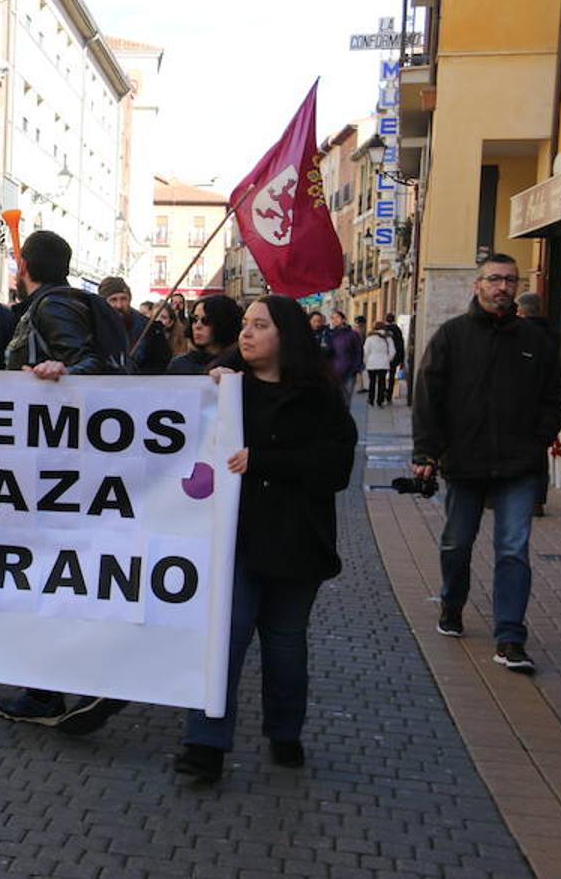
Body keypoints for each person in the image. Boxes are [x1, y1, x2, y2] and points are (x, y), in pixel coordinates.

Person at [174, 295, 357, 782]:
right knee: (224, 638)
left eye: (261, 325)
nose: (247, 334)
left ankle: (284, 732)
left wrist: (266, 460)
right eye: (246, 325)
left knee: (285, 644)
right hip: (237, 537)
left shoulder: (320, 394)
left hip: (298, 538)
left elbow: (336, 468)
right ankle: (205, 745)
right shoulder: (223, 386)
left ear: (287, 336)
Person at [412, 254, 561, 671]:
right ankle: (452, 602)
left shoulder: (535, 342)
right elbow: (428, 397)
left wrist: (536, 440)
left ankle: (510, 638)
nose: (502, 287)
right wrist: (426, 452)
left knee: (513, 549)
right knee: (456, 543)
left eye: (510, 280)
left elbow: (556, 399)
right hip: (464, 463)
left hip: (519, 467)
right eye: (495, 279)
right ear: (478, 285)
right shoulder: (452, 336)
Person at [0, 230, 125, 727]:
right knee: (52, 575)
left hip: (60, 461)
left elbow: (90, 365)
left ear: (25, 264)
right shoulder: (66, 301)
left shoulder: (53, 306)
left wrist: (60, 371)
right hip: (50, 460)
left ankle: (67, 684)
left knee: (52, 576)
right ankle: (53, 683)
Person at [516, 293, 554, 516]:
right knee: (539, 454)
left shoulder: (521, 334)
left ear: (521, 311)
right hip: (541, 403)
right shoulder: (551, 332)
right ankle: (537, 500)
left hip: (523, 401)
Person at [168, 294, 243, 374]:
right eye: (195, 319)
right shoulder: (179, 365)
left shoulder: (241, 366)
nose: (197, 326)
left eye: (206, 320)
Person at [323, 310, 362, 402]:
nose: (335, 320)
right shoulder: (329, 335)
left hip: (349, 371)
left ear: (343, 319)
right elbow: (328, 353)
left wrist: (355, 368)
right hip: (334, 372)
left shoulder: (352, 334)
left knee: (346, 399)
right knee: (336, 400)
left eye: (337, 317)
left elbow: (358, 352)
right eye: (332, 318)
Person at [363, 321, 395, 407]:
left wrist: (365, 361)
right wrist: (387, 359)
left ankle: (371, 400)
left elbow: (365, 351)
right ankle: (380, 401)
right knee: (382, 382)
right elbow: (393, 351)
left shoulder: (370, 338)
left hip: (372, 363)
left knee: (372, 382)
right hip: (383, 363)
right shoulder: (388, 338)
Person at [381, 313, 406, 405]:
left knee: (382, 375)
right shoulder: (397, 330)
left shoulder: (383, 330)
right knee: (392, 376)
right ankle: (389, 395)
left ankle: (383, 391)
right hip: (395, 357)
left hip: (383, 356)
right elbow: (401, 344)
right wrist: (402, 359)